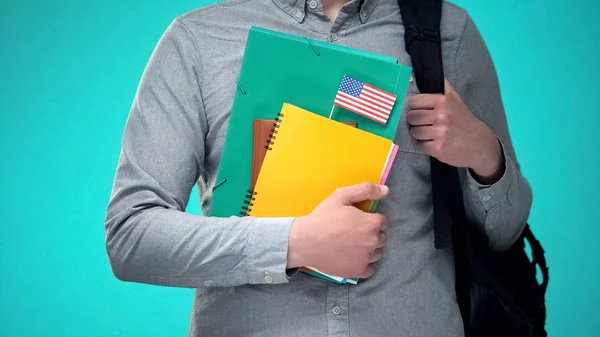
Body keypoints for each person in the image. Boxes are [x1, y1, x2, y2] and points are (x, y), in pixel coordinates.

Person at [104, 0, 532, 335]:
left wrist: (483, 152)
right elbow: (131, 235)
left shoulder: (448, 35)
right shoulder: (197, 41)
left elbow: (503, 235)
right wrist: (293, 242)